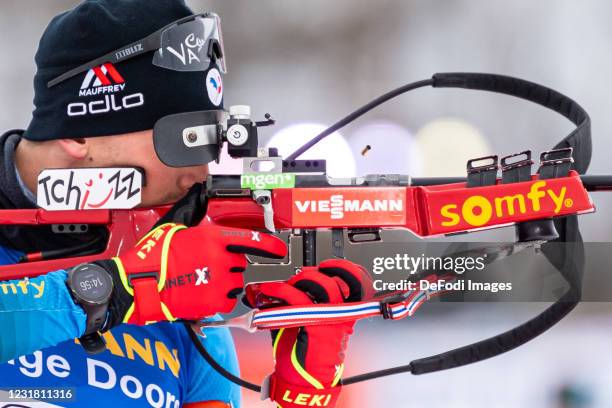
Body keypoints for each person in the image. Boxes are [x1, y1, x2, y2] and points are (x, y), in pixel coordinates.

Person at [0, 1, 371, 407]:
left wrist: (299, 398)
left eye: (212, 140)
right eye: (182, 140)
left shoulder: (185, 307)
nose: (200, 171)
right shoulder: (156, 283)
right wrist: (114, 291)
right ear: (78, 133)